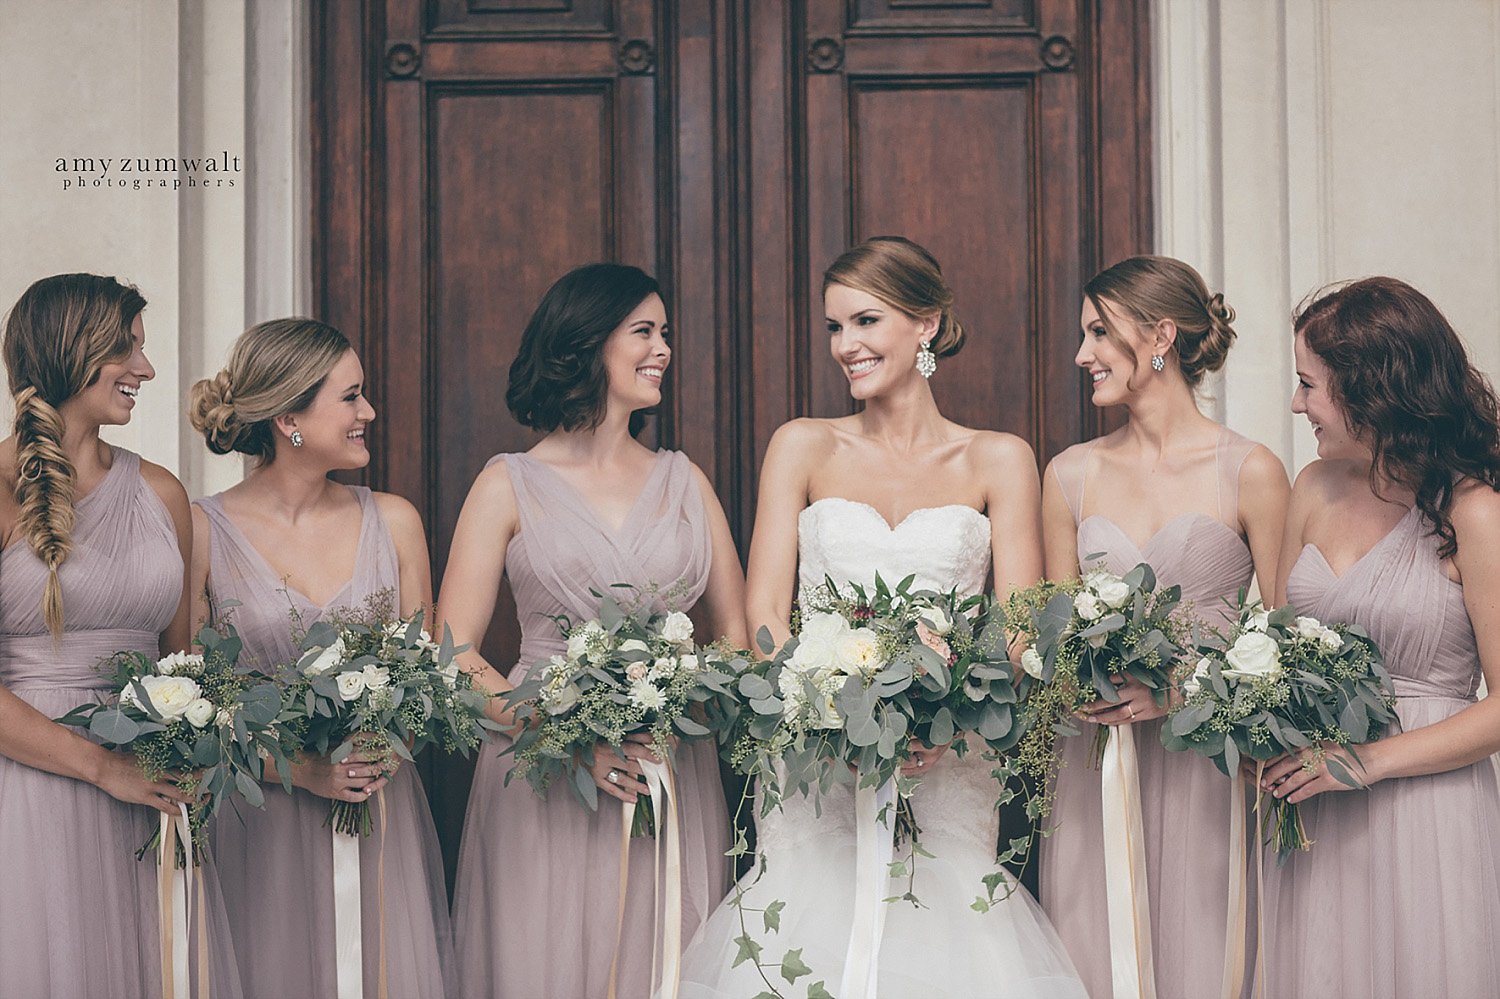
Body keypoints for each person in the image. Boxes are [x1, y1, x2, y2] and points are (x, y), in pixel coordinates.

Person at [678, 236, 1086, 997]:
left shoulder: (999, 458)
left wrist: (946, 722)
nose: (845, 346)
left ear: (926, 323)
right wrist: (825, 712)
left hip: (952, 765)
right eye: (834, 327)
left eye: (864, 321)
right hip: (815, 770)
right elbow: (767, 611)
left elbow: (1015, 629)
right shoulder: (801, 445)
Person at [443, 263, 747, 998]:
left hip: (666, 767)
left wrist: (685, 700)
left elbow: (737, 634)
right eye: (644, 331)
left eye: (665, 333)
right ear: (586, 345)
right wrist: (564, 730)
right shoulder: (506, 482)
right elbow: (450, 654)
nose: (663, 349)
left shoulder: (685, 480)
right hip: (544, 771)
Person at [1039, 255, 1288, 998]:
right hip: (1096, 766)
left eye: (1098, 332)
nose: (1083, 354)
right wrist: (1077, 677)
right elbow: (1051, 633)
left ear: (1160, 336)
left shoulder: (1252, 469)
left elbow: (1288, 647)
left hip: (1208, 770)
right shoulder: (1068, 474)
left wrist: (1182, 692)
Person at [188, 318, 454, 998]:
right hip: (257, 826)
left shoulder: (395, 520)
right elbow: (190, 696)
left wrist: (389, 743)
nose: (368, 412)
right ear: (288, 417)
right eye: (351, 396)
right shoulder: (200, 528)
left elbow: (429, 677)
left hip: (377, 819)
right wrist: (296, 769)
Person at [0, 273, 241, 997]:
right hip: (32, 794)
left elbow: (184, 662)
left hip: (153, 797)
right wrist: (103, 767)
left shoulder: (162, 491)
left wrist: (195, 745)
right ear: (71, 351)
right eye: (126, 349)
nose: (147, 369)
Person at [1259, 277, 1500, 997]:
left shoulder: (1475, 512)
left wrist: (1367, 760)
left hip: (1428, 813)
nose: (1297, 404)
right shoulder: (1311, 486)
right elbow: (1274, 656)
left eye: (1309, 385)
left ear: (1370, 388)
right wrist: (1255, 736)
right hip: (1315, 814)